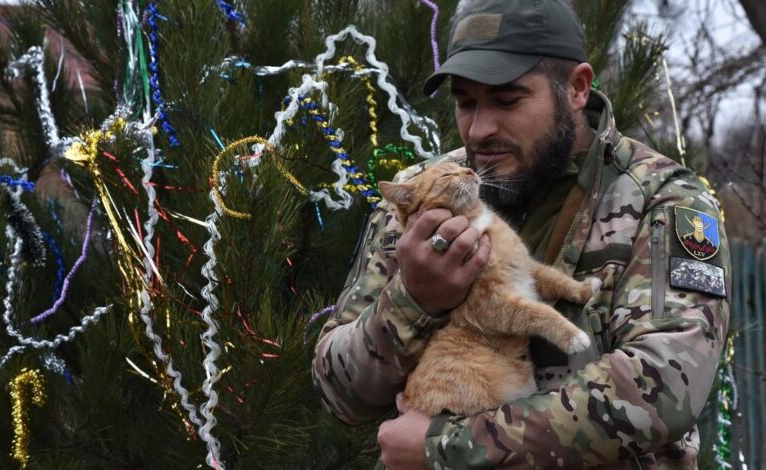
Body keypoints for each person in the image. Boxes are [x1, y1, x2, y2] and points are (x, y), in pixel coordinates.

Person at [312, 0, 731, 468]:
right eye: (465, 102)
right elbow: (339, 391)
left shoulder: (661, 201)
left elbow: (665, 386)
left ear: (576, 88)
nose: (479, 129)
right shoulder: (422, 197)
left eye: (507, 101)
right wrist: (415, 299)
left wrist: (448, 447)